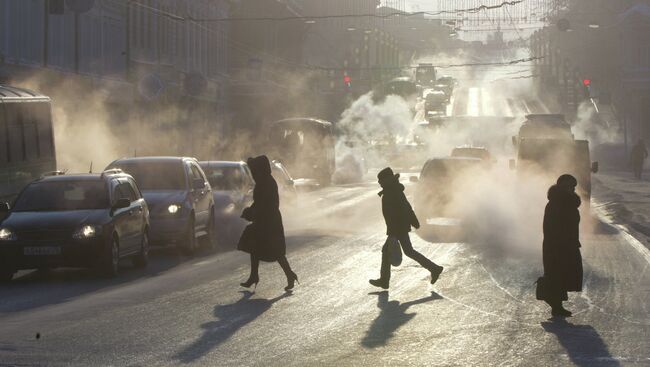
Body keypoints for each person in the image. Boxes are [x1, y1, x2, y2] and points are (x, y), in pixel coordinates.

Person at [369, 167, 443, 289]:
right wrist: (413, 221)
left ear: (386, 180)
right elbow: (407, 207)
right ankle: (434, 268)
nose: (379, 183)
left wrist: (397, 229)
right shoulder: (392, 190)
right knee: (407, 251)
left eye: (380, 180)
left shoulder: (392, 192)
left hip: (397, 228)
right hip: (399, 227)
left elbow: (402, 210)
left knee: (389, 250)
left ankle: (384, 280)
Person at [238, 155, 298, 291]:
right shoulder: (264, 181)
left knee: (275, 251)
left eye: (255, 170)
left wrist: (251, 212)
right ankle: (254, 276)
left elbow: (265, 204)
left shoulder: (266, 183)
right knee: (256, 247)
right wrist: (252, 211)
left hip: (269, 221)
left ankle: (289, 274)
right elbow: (260, 203)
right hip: (265, 220)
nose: (253, 173)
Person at [541, 174, 583, 317]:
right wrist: (559, 243)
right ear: (560, 187)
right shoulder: (555, 204)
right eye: (567, 186)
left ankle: (557, 305)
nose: (571, 189)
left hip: (569, 244)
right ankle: (555, 305)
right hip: (556, 245)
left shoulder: (569, 203)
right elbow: (551, 227)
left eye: (572, 186)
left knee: (565, 274)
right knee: (556, 274)